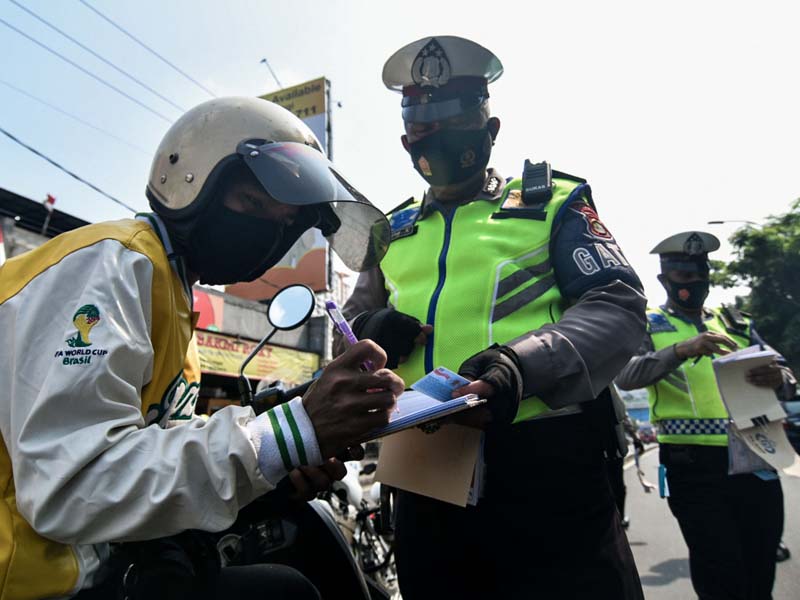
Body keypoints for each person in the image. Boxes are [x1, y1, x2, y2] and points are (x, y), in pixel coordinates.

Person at [0, 97, 404, 600]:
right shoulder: (112, 266)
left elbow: (153, 454)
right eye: (253, 206)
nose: (268, 234)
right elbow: (71, 486)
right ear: (193, 181)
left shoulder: (173, 294)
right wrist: (287, 433)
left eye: (286, 225)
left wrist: (276, 461)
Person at [336, 35, 647, 599]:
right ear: (407, 140)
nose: (435, 138)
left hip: (548, 465)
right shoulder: (392, 230)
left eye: (454, 119)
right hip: (421, 471)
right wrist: (370, 332)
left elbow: (618, 307)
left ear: (491, 128)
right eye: (423, 127)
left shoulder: (554, 204)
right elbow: (349, 328)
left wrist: (517, 367)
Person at [616, 230, 797, 600]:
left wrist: (781, 377)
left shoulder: (736, 323)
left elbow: (785, 374)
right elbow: (626, 374)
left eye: (701, 275)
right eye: (685, 276)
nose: (695, 284)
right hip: (692, 464)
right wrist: (680, 350)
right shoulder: (648, 324)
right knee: (720, 571)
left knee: (760, 566)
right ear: (665, 280)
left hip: (755, 455)